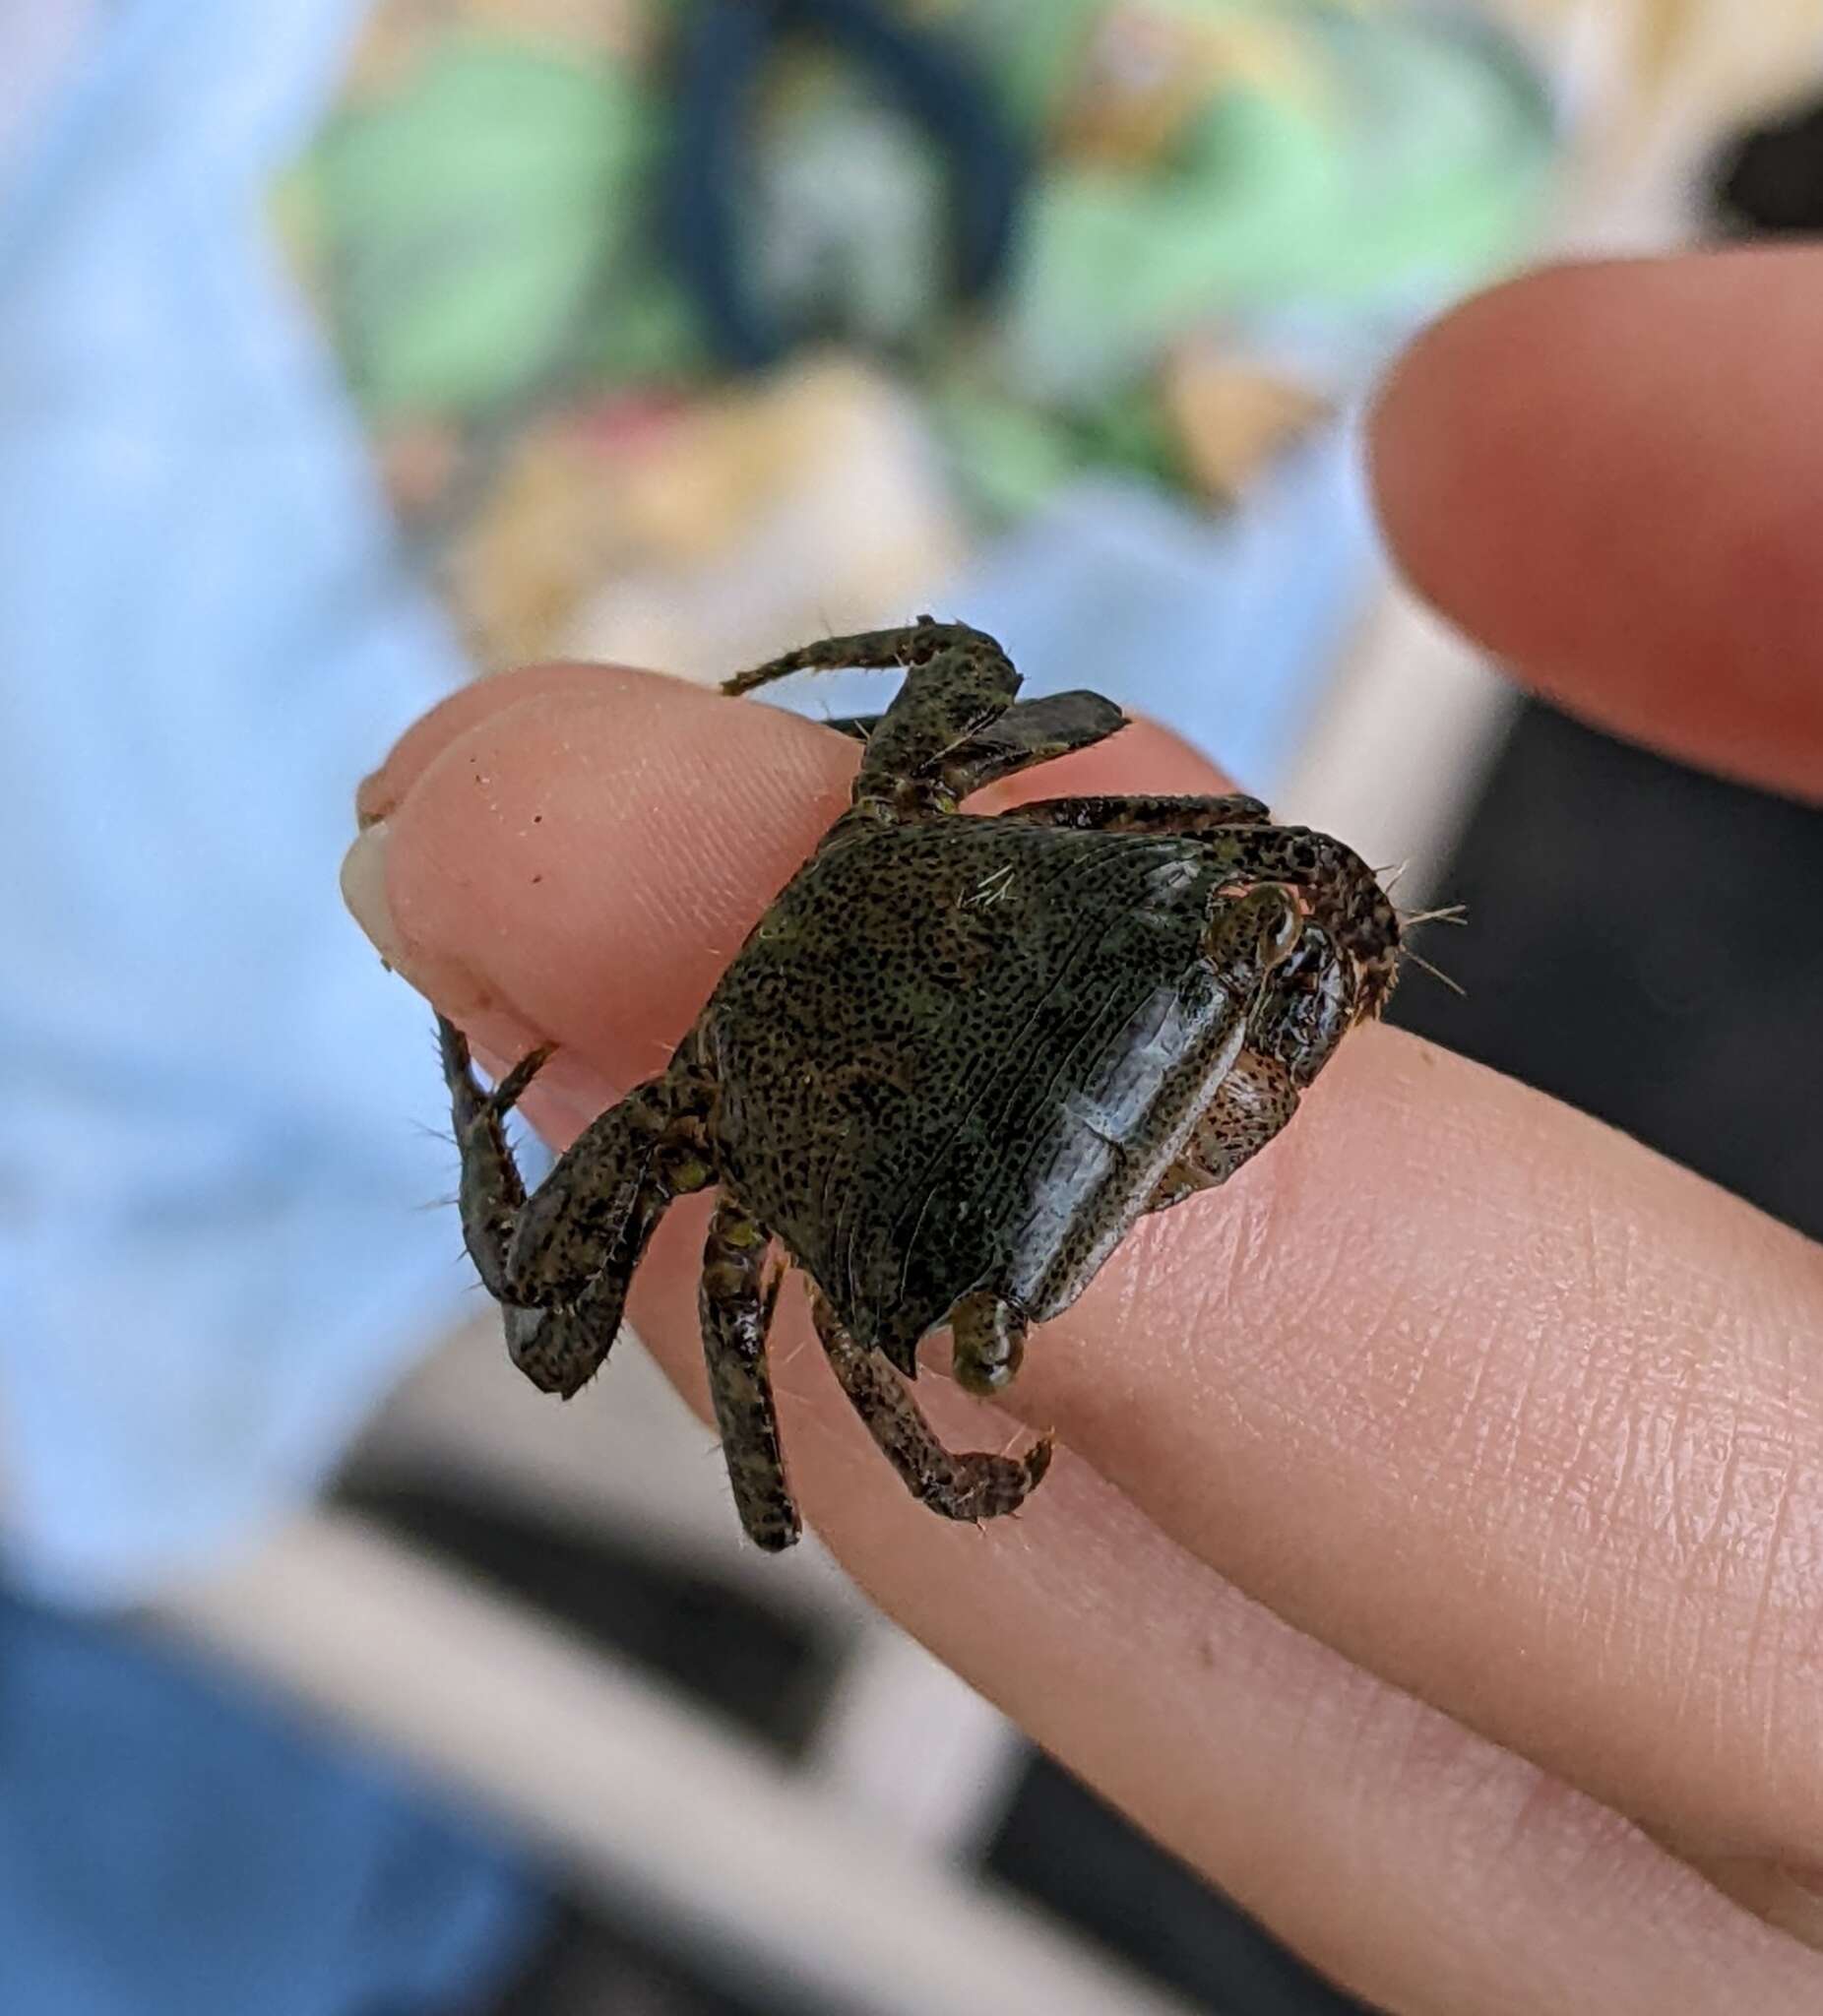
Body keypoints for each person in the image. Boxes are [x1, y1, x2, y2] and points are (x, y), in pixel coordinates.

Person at [343, 248, 1823, 2014]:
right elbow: (1044, 712)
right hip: (964, 974)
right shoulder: (907, 838)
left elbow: (602, 1335)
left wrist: (488, 1083)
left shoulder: (737, 1177)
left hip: (886, 1067)